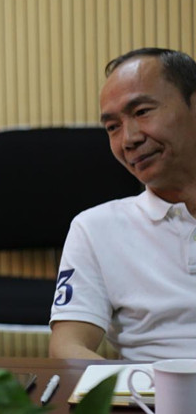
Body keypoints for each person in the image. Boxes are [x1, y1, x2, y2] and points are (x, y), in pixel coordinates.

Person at [49, 47, 196, 361]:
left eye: (141, 111)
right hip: (144, 389)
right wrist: (134, 385)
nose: (129, 139)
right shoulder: (94, 228)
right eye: (112, 127)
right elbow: (67, 348)